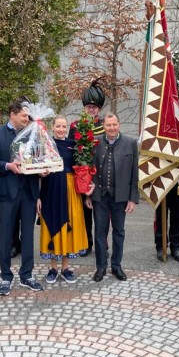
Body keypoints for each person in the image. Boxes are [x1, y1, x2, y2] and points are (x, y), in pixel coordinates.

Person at [0, 99, 46, 296]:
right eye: (24, 116)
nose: (27, 119)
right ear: (13, 114)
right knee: (6, 236)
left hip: (28, 193)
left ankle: (27, 275)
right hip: (7, 194)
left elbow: (38, 158)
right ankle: (5, 276)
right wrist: (7, 166)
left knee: (28, 235)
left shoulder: (32, 133)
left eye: (28, 116)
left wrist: (41, 171)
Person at [86, 113, 139, 282]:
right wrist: (87, 195)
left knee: (119, 232)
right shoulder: (95, 142)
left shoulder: (130, 143)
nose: (111, 128)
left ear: (119, 124)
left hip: (120, 196)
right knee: (100, 232)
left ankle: (116, 266)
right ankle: (101, 267)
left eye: (114, 124)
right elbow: (89, 170)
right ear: (104, 126)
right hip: (99, 195)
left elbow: (134, 173)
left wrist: (133, 198)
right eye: (108, 125)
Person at [38, 115, 91, 283]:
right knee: (52, 224)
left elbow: (81, 168)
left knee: (70, 226)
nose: (61, 129)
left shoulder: (73, 145)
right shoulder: (45, 144)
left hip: (69, 190)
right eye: (58, 126)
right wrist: (38, 197)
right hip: (50, 190)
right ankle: (53, 268)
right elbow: (37, 173)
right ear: (52, 127)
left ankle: (65, 268)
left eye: (64, 126)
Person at [69, 79, 106, 256]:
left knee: (101, 212)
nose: (91, 109)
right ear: (84, 107)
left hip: (100, 174)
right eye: (88, 106)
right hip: (82, 174)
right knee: (84, 213)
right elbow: (70, 150)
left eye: (94, 107)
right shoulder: (75, 126)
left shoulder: (105, 125)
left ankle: (103, 244)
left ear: (99, 108)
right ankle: (86, 243)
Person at [154, 105, 179, 263]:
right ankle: (160, 245)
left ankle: (176, 246)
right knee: (160, 213)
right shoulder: (156, 114)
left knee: (178, 213)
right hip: (161, 171)